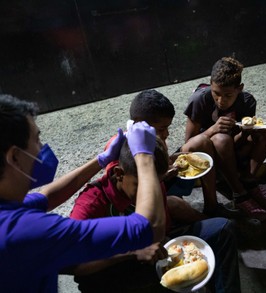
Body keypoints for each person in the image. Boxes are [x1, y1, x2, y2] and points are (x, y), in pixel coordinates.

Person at [0, 94, 166, 291]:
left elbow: (47, 196)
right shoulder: (25, 231)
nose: (42, 148)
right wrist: (144, 157)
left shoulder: (8, 205)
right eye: (37, 140)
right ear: (15, 157)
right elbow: (149, 228)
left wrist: (101, 160)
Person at [71, 138, 241, 293]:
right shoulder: (91, 204)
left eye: (155, 182)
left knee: (222, 229)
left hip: (151, 249)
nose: (149, 193)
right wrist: (132, 252)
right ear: (119, 174)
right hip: (114, 266)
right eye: (142, 184)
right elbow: (75, 265)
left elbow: (162, 231)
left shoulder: (153, 182)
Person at [183, 57, 266, 222]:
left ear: (239, 89)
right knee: (220, 138)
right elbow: (188, 146)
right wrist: (213, 129)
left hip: (232, 152)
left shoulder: (247, 101)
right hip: (208, 159)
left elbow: (237, 140)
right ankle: (239, 193)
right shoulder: (200, 100)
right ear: (210, 84)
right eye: (216, 93)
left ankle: (249, 180)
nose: (221, 100)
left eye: (228, 95)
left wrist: (247, 133)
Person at [128, 89, 230, 218]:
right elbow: (134, 192)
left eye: (167, 127)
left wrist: (171, 160)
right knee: (176, 205)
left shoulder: (155, 137)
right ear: (139, 123)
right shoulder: (126, 149)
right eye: (161, 129)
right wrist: (162, 176)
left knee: (201, 143)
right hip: (149, 196)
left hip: (165, 178)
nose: (166, 134)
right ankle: (205, 221)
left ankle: (212, 206)